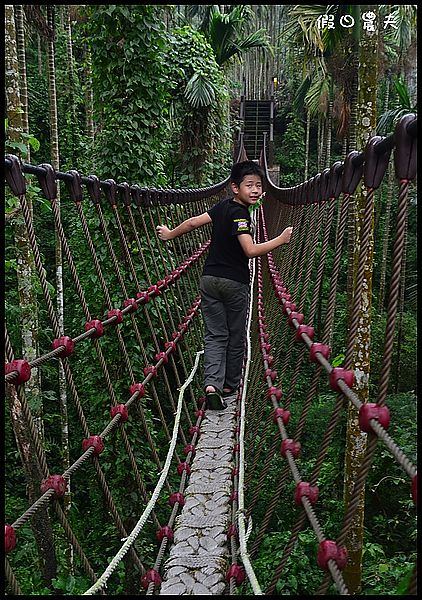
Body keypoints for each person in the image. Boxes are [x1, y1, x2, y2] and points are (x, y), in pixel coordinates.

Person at [156, 160, 293, 410]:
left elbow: (193, 223)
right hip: (234, 283)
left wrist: (169, 233)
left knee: (215, 335)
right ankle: (229, 385)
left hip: (209, 280)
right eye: (249, 185)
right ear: (234, 187)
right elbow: (250, 250)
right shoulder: (241, 215)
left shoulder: (221, 207)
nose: (255, 190)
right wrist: (280, 240)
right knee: (236, 335)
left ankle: (211, 385)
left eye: (259, 186)